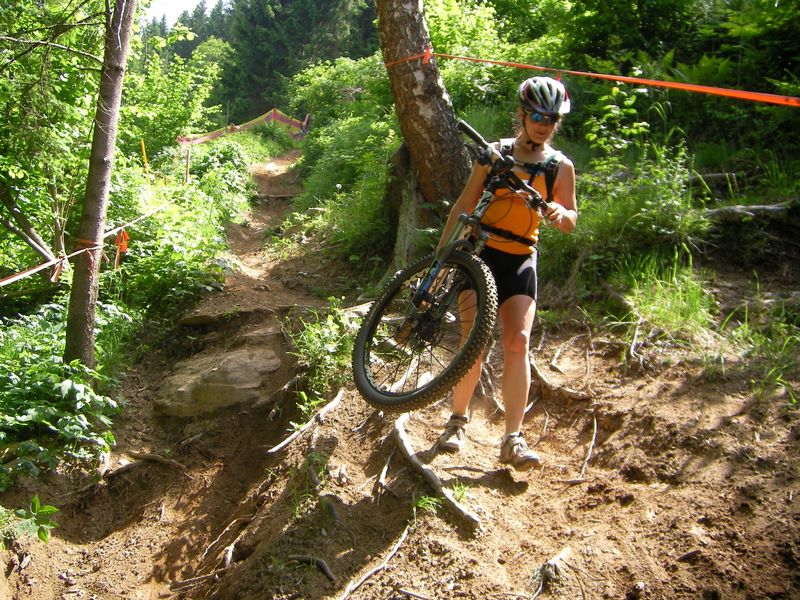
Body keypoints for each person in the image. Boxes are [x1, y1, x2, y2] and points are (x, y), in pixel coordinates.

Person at [436, 76, 578, 471]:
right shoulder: (494, 154)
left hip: (520, 260)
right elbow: (464, 204)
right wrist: (441, 257)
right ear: (523, 114)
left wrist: (561, 213)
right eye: (538, 116)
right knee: (474, 341)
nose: (544, 124)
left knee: (518, 342)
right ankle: (457, 421)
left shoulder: (560, 167)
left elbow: (571, 219)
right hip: (481, 254)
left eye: (552, 119)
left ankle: (513, 439)